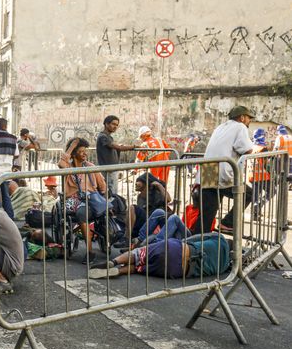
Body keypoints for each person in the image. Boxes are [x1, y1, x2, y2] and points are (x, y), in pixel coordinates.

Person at [194, 106, 254, 234]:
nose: (249, 121)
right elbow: (248, 150)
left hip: (208, 168)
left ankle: (195, 244)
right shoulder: (240, 127)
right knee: (248, 194)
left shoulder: (220, 127)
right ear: (242, 117)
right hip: (222, 170)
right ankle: (227, 223)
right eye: (249, 118)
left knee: (208, 213)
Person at [90, 233, 230, 280]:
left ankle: (114, 262)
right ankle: (119, 271)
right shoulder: (224, 268)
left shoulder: (219, 239)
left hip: (178, 249)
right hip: (178, 270)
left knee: (138, 254)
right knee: (139, 268)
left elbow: (192, 239)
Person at [58, 137, 107, 263]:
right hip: (74, 201)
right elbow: (61, 164)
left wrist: (105, 202)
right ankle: (90, 252)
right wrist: (72, 146)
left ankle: (89, 244)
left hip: (91, 201)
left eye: (86, 151)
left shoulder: (91, 167)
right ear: (74, 154)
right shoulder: (68, 167)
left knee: (87, 210)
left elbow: (103, 188)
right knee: (80, 212)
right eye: (81, 151)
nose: (85, 153)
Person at [96, 115, 135, 195]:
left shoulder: (108, 137)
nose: (115, 127)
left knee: (112, 192)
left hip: (112, 169)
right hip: (108, 170)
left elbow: (116, 148)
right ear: (106, 124)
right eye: (113, 124)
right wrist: (133, 147)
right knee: (110, 193)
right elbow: (116, 147)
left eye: (117, 125)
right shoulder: (103, 136)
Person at [248, 128, 272, 216]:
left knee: (255, 196)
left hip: (252, 175)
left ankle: (255, 214)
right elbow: (267, 165)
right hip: (262, 176)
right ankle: (258, 206)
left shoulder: (251, 147)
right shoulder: (263, 148)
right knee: (272, 191)